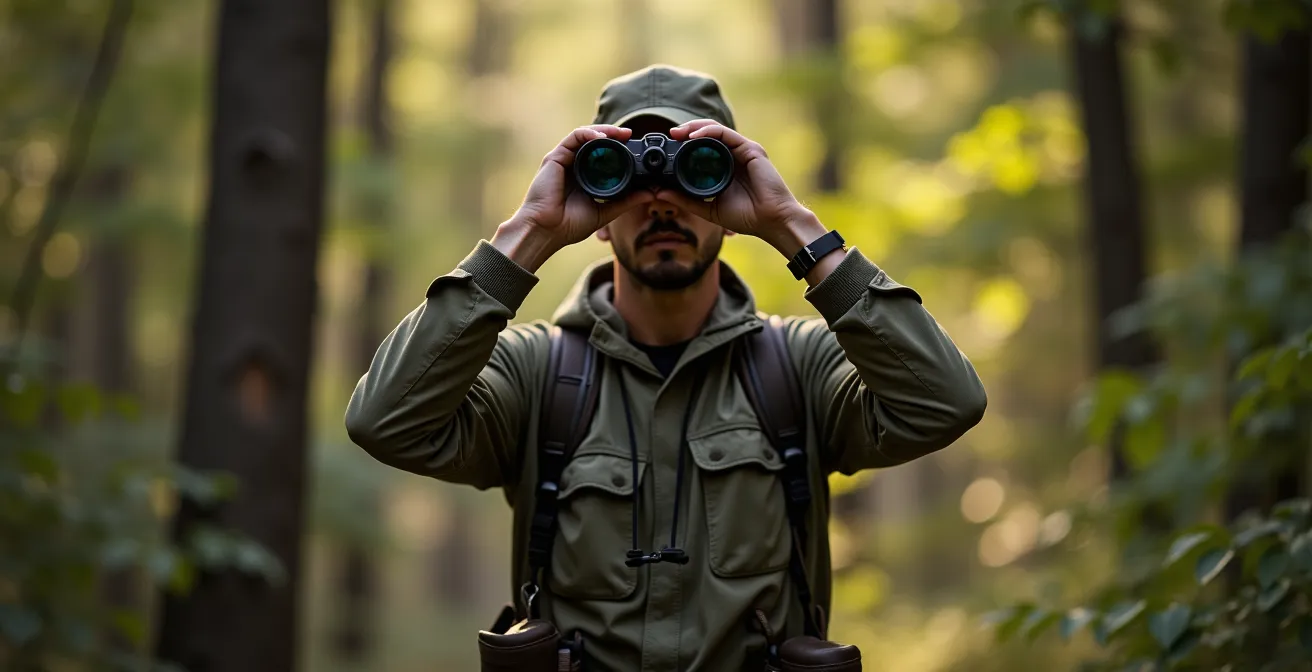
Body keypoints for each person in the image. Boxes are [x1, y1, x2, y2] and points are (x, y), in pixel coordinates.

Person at [345, 64, 987, 671]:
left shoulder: (799, 366)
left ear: (732, 200)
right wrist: (529, 233)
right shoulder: (536, 371)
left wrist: (792, 226)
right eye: (625, 175)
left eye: (695, 171)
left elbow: (945, 401)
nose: (662, 203)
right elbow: (386, 420)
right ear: (596, 207)